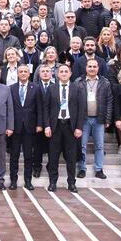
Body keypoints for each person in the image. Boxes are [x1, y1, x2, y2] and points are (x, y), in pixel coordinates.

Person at [44, 64, 83, 193]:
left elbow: (82, 109)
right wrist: (47, 125)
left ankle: (71, 183)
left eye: (66, 71)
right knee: (53, 156)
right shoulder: (51, 88)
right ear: (57, 74)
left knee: (71, 157)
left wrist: (79, 127)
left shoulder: (77, 88)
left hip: (70, 127)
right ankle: (52, 182)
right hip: (56, 126)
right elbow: (46, 108)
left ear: (70, 73)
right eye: (61, 71)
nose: (64, 73)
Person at [76, 59, 112, 180]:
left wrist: (107, 119)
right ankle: (82, 168)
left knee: (100, 146)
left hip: (99, 119)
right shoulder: (79, 82)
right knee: (82, 146)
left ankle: (99, 169)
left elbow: (109, 102)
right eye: (90, 66)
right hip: (83, 119)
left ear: (98, 68)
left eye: (94, 66)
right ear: (86, 68)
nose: (92, 68)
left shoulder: (105, 82)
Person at [7, 65, 40, 189]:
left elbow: (39, 108)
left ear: (29, 73)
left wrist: (39, 124)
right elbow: (8, 109)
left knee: (28, 156)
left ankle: (28, 181)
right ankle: (13, 181)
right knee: (14, 155)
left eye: (25, 71)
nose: (23, 73)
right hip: (15, 127)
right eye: (20, 71)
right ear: (17, 74)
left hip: (30, 127)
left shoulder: (36, 88)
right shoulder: (11, 88)